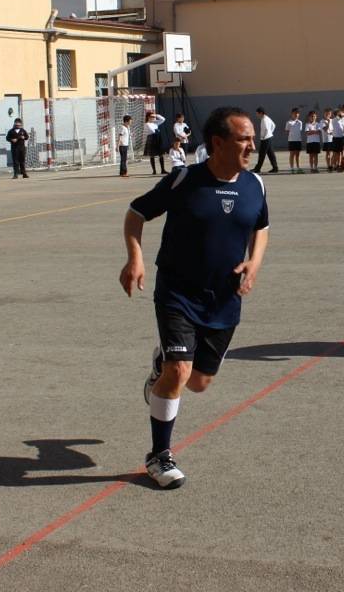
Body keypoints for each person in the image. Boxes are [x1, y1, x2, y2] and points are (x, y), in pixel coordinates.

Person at [120, 107, 270, 489]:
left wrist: (254, 263)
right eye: (243, 138)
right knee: (180, 372)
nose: (252, 145)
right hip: (177, 293)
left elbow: (262, 228)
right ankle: (159, 456)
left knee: (200, 383)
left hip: (224, 298)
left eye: (252, 138)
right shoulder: (184, 180)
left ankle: (162, 364)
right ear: (217, 143)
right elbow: (136, 214)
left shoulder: (255, 184)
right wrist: (134, 259)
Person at [252, 107, 279, 174]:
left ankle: (257, 169)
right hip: (268, 138)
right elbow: (274, 125)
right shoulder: (267, 118)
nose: (257, 115)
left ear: (261, 113)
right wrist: (270, 133)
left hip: (265, 139)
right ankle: (275, 168)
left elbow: (266, 129)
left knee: (262, 154)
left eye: (257, 113)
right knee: (270, 154)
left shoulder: (264, 119)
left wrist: (264, 136)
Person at [285, 108, 304, 174]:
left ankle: (298, 167)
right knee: (292, 154)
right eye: (295, 113)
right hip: (291, 141)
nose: (296, 114)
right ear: (292, 114)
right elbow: (287, 131)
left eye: (297, 113)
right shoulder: (289, 122)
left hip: (298, 140)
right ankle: (292, 168)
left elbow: (300, 131)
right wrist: (291, 137)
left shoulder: (300, 122)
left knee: (297, 155)